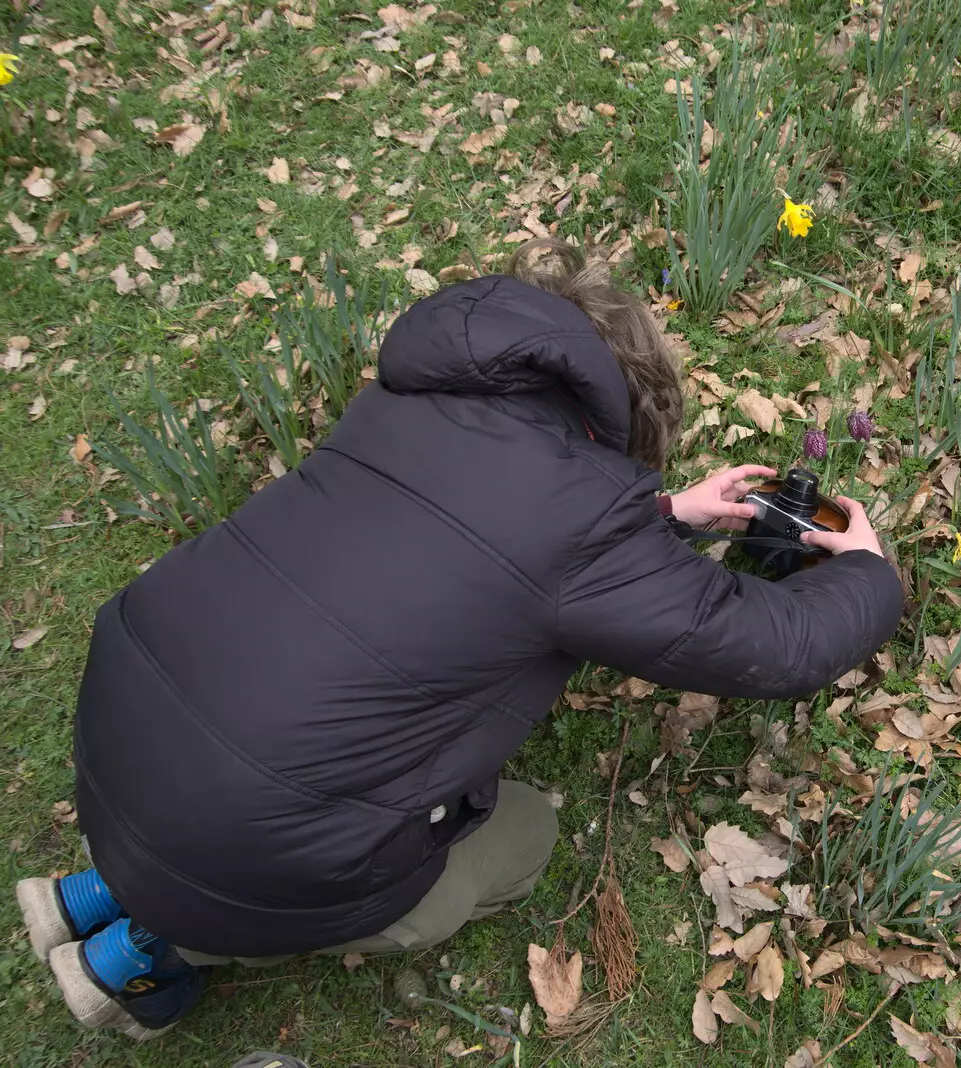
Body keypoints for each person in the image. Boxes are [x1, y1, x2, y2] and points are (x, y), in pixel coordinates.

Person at [15, 241, 903, 1041]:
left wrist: (660, 516)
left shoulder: (401, 403)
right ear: (625, 403)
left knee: (250, 774)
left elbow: (465, 540)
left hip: (127, 714)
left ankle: (94, 887)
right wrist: (867, 572)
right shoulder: (581, 523)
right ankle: (144, 953)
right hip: (240, 835)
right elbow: (776, 646)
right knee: (521, 835)